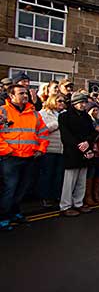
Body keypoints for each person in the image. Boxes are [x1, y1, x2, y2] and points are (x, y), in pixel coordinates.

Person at [0, 85, 49, 231]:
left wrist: (41, 149)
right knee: (9, 188)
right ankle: (3, 217)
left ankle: (15, 213)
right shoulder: (3, 111)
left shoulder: (34, 114)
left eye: (26, 93)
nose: (25, 96)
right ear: (11, 96)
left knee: (22, 188)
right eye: (21, 93)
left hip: (30, 157)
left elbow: (43, 133)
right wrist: (6, 150)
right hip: (11, 158)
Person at [59, 92, 97, 216]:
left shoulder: (86, 117)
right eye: (80, 102)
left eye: (84, 102)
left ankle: (78, 203)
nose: (83, 105)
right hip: (72, 152)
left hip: (85, 151)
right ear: (73, 103)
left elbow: (92, 132)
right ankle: (65, 206)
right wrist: (80, 145)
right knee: (69, 181)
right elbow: (66, 136)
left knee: (81, 181)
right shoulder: (64, 116)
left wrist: (88, 143)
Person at [38, 94, 67, 207]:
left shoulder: (65, 113)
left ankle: (56, 196)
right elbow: (43, 129)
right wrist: (58, 123)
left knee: (59, 174)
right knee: (47, 174)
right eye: (59, 101)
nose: (61, 103)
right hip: (49, 148)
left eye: (63, 101)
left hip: (62, 148)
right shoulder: (43, 113)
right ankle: (45, 197)